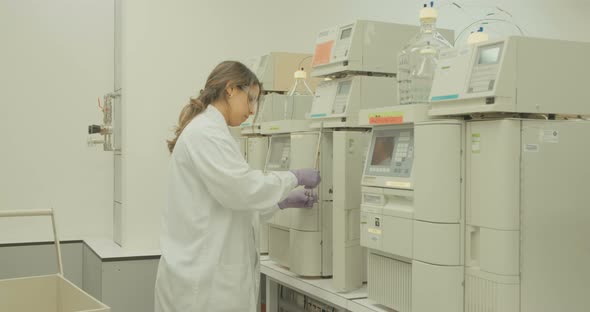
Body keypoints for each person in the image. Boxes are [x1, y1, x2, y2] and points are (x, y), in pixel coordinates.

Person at [154, 61, 321, 312]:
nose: (252, 110)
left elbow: (230, 204)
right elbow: (242, 190)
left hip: (207, 278)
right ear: (231, 89)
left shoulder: (213, 131)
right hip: (202, 287)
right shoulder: (206, 133)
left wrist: (280, 202)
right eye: (251, 99)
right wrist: (293, 177)